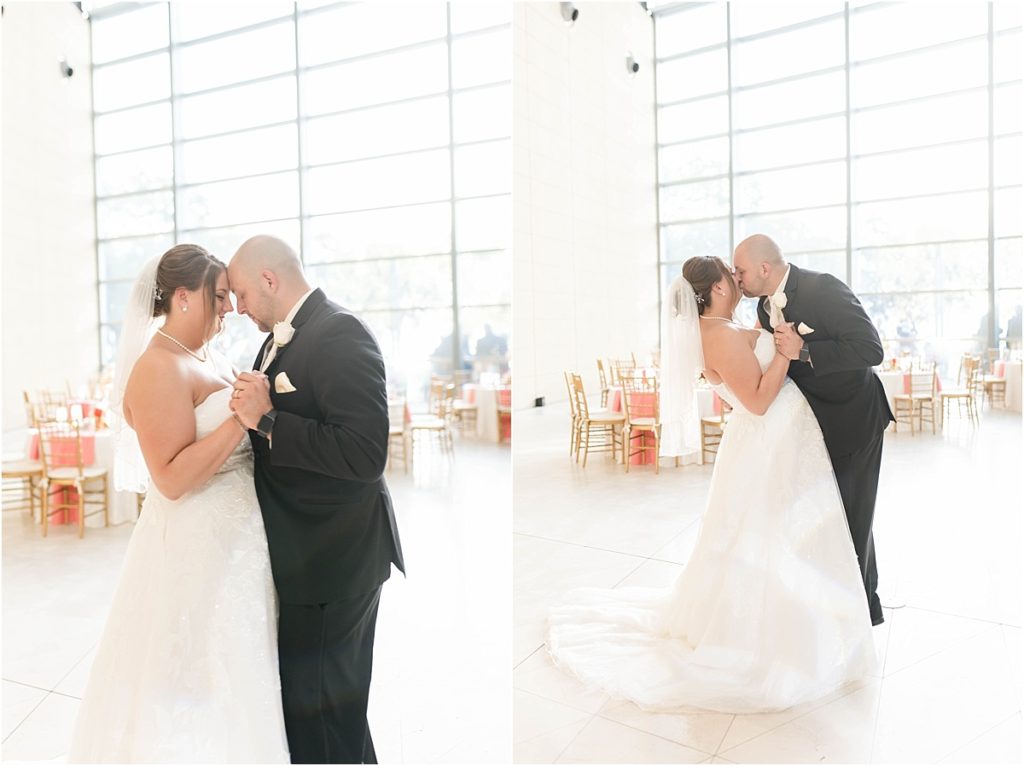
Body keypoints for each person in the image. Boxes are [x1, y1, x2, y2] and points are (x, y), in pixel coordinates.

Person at [547, 255, 877, 713]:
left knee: (786, 538)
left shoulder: (721, 326)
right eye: (730, 272)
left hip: (780, 439)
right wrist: (784, 352)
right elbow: (760, 401)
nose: (737, 277)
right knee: (771, 539)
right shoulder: (717, 335)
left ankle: (813, 618)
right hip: (770, 440)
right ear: (718, 289)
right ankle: (771, 635)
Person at [68, 245, 291, 762]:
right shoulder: (158, 368)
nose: (230, 307)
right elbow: (169, 478)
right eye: (218, 297)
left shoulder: (205, 355)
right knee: (204, 675)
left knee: (245, 671)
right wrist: (241, 418)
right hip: (196, 542)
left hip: (239, 538)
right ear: (184, 298)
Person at [227, 235, 405, 764]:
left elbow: (365, 452)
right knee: (323, 715)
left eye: (239, 295)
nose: (237, 309)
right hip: (308, 558)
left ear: (269, 280)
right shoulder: (277, 340)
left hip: (337, 561)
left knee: (324, 717)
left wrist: (270, 419)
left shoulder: (340, 333)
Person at [732, 234, 892, 626]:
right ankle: (837, 606)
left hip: (855, 420)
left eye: (741, 271)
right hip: (812, 428)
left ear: (765, 269)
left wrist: (804, 350)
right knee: (829, 519)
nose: (737, 278)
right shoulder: (763, 305)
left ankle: (862, 612)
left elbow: (872, 349)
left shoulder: (824, 288)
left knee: (855, 518)